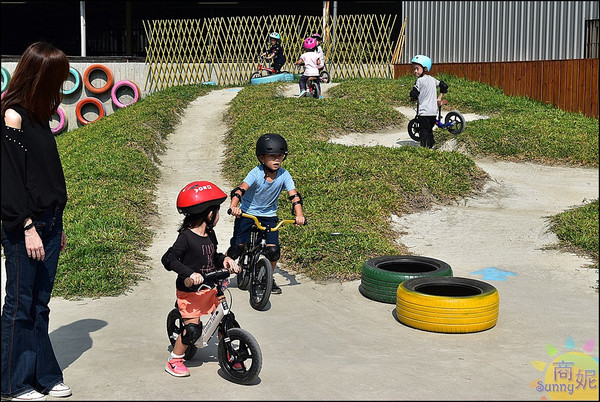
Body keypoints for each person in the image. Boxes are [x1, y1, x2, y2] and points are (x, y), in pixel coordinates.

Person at [1, 42, 72, 402]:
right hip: (24, 227)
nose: (61, 85)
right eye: (57, 78)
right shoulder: (12, 116)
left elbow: (47, 175)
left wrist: (57, 225)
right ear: (40, 75)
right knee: (20, 303)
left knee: (40, 304)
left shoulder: (40, 115)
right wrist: (27, 226)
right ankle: (13, 384)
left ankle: (43, 374)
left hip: (50, 223)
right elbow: (10, 181)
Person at [161, 181, 240, 377]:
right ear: (208, 214)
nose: (218, 216)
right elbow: (168, 259)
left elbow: (213, 256)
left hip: (211, 288)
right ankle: (174, 360)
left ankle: (228, 353)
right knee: (193, 330)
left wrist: (227, 260)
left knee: (228, 320)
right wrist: (189, 273)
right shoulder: (186, 237)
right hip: (190, 292)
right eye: (217, 211)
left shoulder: (210, 235)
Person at [227, 133, 305, 294]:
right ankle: (220, 267)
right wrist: (234, 206)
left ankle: (266, 277)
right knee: (237, 248)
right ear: (262, 158)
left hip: (269, 216)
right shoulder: (255, 173)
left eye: (280, 156)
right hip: (247, 213)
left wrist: (299, 215)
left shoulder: (284, 175)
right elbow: (240, 190)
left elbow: (294, 196)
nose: (277, 160)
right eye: (272, 156)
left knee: (273, 250)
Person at [409, 54, 448, 148]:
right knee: (429, 129)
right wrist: (440, 96)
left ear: (425, 69)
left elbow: (414, 93)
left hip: (424, 112)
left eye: (417, 68)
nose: (415, 71)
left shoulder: (419, 81)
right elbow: (444, 85)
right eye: (414, 69)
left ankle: (425, 148)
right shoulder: (433, 80)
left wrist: (411, 98)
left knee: (424, 131)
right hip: (434, 112)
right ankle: (431, 145)